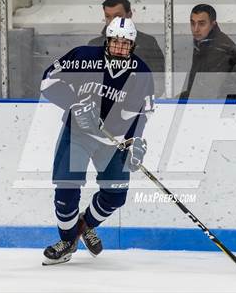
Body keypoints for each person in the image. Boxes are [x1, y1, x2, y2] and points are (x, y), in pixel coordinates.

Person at [40, 17, 154, 265]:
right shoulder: (84, 56)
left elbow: (141, 115)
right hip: (77, 133)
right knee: (66, 189)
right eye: (115, 42)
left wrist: (135, 142)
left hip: (112, 142)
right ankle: (67, 242)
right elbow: (48, 81)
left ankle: (84, 226)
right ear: (107, 41)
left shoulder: (142, 72)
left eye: (126, 44)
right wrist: (75, 104)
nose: (120, 48)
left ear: (133, 46)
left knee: (115, 195)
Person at [88, 0, 165, 98]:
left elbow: (159, 82)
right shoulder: (94, 45)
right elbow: (86, 82)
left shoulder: (148, 43)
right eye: (107, 16)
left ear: (129, 15)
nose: (111, 21)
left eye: (117, 16)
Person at [177, 4, 236, 99]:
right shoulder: (203, 41)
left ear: (213, 24)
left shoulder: (220, 49)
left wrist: (180, 100)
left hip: (219, 107)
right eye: (192, 23)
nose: (196, 29)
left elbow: (207, 92)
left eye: (202, 24)